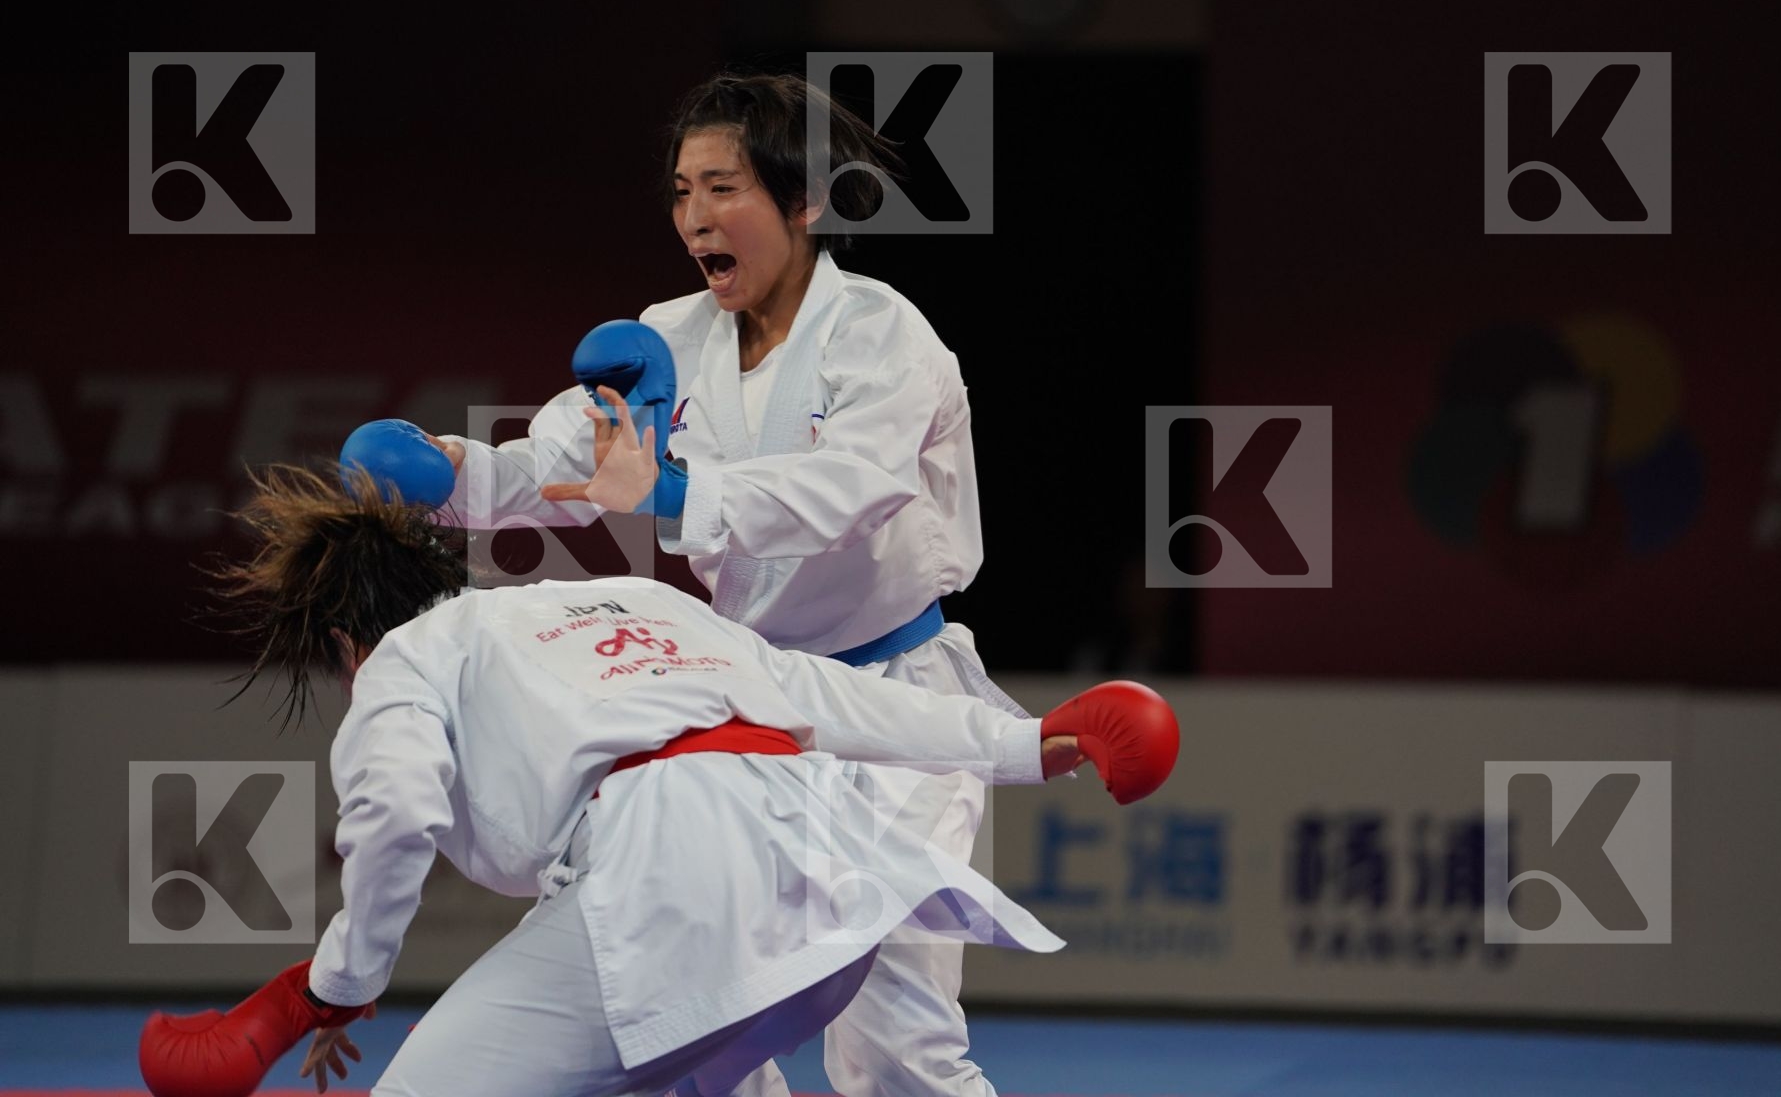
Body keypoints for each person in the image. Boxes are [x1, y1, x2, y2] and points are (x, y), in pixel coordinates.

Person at [137, 463, 1179, 1097]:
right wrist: (1030, 741)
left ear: (341, 643)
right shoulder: (628, 599)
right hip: (829, 891)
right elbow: (823, 695)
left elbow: (397, 814)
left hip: (674, 889)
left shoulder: (405, 660)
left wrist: (331, 991)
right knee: (685, 1063)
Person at [421, 71, 1024, 1097]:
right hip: (747, 713)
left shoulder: (883, 334)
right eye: (681, 191)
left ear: (805, 202)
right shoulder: (666, 340)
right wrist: (447, 477)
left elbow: (855, 490)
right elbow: (562, 465)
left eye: (724, 189)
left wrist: (671, 492)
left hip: (895, 705)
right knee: (691, 1017)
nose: (695, 217)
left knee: (894, 1047)